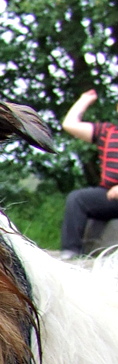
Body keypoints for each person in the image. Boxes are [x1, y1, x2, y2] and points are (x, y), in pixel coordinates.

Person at [59, 89, 118, 258]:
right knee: (77, 199)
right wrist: (83, 100)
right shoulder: (108, 131)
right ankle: (71, 251)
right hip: (109, 196)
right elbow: (69, 125)